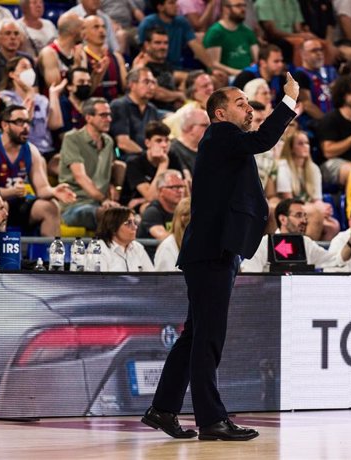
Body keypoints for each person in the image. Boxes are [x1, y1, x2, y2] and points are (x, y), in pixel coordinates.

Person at [143, 73, 299, 441]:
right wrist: (288, 102)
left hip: (214, 251)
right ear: (218, 113)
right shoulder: (220, 135)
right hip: (212, 252)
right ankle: (211, 420)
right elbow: (262, 139)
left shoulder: (226, 143)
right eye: (241, 103)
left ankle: (163, 409)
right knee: (208, 337)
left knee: (195, 335)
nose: (249, 108)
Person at [0, 105, 76, 236]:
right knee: (0, 206)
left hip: (15, 204)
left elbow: (42, 189)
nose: (26, 127)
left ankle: (51, 254)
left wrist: (54, 191)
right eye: (19, 122)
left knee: (50, 207)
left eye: (27, 122)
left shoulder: (31, 150)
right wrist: (12, 191)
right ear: (5, 125)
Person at [58, 97, 120, 231]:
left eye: (109, 115)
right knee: (109, 216)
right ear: (88, 118)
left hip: (101, 204)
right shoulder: (72, 139)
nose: (108, 119)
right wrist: (103, 200)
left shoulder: (109, 141)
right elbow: (80, 176)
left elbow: (114, 166)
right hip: (75, 205)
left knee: (134, 218)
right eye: (103, 115)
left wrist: (115, 187)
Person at [240, 198, 339, 272]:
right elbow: (249, 275)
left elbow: (335, 261)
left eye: (305, 216)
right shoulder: (264, 244)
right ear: (283, 219)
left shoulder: (306, 243)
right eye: (299, 216)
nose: (304, 221)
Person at [276, 129, 339, 241]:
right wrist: (317, 208)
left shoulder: (313, 168)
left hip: (309, 207)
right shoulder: (283, 166)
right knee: (316, 213)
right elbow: (288, 200)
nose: (305, 146)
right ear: (291, 148)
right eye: (300, 143)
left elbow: (317, 199)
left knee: (333, 226)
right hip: (289, 208)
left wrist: (323, 208)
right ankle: (303, 252)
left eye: (307, 143)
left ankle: (316, 255)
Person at [0, 56, 64, 159]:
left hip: (46, 150)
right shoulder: (4, 98)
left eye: (31, 67)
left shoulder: (41, 99)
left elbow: (55, 125)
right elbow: (20, 123)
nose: (29, 71)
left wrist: (54, 95)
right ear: (12, 74)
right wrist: (29, 92)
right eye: (24, 67)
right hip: (22, 150)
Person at [120, 121, 184, 211]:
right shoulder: (134, 163)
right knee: (149, 208)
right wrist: (163, 164)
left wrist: (143, 200)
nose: (164, 145)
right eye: (159, 141)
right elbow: (151, 197)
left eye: (166, 140)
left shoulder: (173, 157)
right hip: (132, 209)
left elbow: (184, 190)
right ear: (147, 143)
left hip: (161, 200)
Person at [109, 67, 161, 156]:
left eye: (153, 82)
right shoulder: (119, 105)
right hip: (126, 158)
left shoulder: (152, 109)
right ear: (132, 85)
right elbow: (123, 143)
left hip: (148, 157)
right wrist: (146, 156)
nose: (151, 87)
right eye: (146, 82)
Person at [96, 206, 155, 272]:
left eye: (135, 223)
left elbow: (151, 278)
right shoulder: (98, 249)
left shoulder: (138, 247)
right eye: (128, 223)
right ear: (113, 227)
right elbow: (98, 281)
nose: (135, 227)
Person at [0, 19, 34, 91]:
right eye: (8, 33)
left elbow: (35, 89)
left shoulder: (27, 59)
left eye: (16, 33)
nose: (13, 37)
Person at [137, 169, 186, 240]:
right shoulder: (152, 212)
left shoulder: (184, 211)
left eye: (182, 187)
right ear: (160, 190)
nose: (180, 191)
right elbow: (164, 237)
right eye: (174, 187)